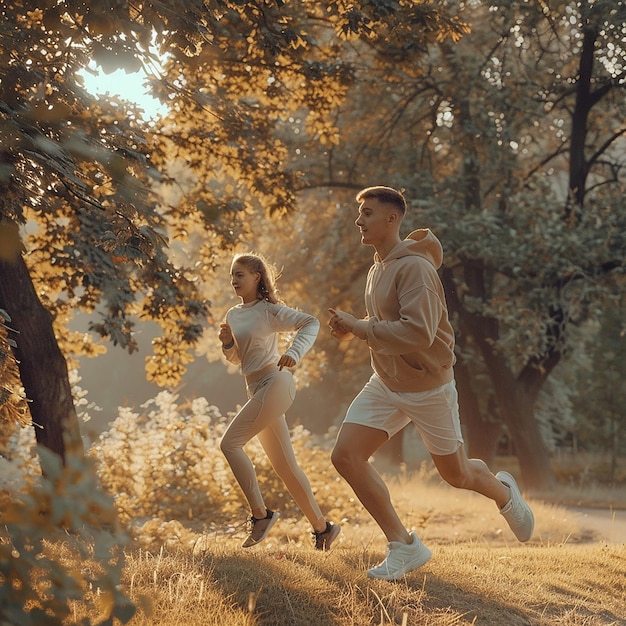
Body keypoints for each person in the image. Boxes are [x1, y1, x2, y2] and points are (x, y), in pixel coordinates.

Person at [328, 186, 534, 580]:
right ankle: (404, 546)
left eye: (367, 213)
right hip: (387, 382)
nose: (359, 220)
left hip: (428, 388)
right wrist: (353, 330)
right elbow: (386, 328)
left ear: (392, 219)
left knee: (456, 475)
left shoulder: (415, 269)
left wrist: (362, 327)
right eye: (360, 213)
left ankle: (505, 493)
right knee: (346, 457)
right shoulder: (378, 267)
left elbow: (419, 333)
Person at [218, 253, 340, 550]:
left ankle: (261, 514)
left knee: (229, 444)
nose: (234, 280)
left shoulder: (269, 310)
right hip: (256, 389)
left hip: (276, 382)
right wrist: (227, 343)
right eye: (232, 275)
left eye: (240, 275)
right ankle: (323, 529)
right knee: (286, 468)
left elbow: (310, 323)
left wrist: (295, 352)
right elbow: (238, 359)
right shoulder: (234, 315)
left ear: (257, 277)